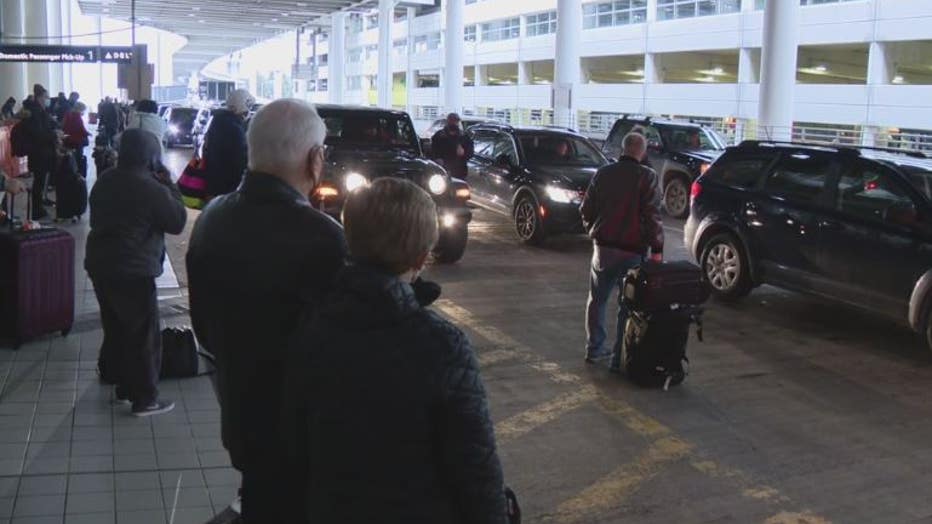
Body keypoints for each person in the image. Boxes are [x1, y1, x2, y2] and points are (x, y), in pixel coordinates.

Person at [281, 178, 506, 523]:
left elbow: (294, 442)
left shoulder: (312, 322)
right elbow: (475, 469)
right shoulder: (441, 344)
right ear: (420, 257)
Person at [186, 99, 346, 522]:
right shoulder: (324, 238)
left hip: (241, 417)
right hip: (308, 438)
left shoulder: (211, 219)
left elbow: (202, 327)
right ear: (315, 159)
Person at [85, 129, 186, 416]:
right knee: (143, 335)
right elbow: (177, 221)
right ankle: (145, 399)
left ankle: (122, 386)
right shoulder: (151, 188)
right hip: (133, 269)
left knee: (116, 327)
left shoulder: (106, 179)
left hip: (100, 264)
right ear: (152, 156)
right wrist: (170, 186)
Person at [579, 132, 664, 365]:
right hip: (633, 251)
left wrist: (594, 231)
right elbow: (652, 216)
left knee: (597, 300)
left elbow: (585, 209)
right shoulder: (647, 177)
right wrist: (657, 248)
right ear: (642, 152)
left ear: (623, 149)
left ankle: (594, 348)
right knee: (627, 305)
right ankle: (619, 356)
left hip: (603, 249)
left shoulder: (603, 173)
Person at [202, 89, 254, 199]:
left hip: (213, 184)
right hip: (228, 187)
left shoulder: (217, 122)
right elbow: (240, 159)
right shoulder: (234, 129)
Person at [22, 85, 59, 220]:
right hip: (39, 153)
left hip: (42, 152)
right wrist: (53, 135)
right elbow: (38, 133)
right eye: (46, 97)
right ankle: (37, 210)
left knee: (42, 180)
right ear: (39, 97)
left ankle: (41, 202)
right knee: (39, 181)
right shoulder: (35, 112)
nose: (48, 100)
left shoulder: (39, 110)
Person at [430, 113, 474, 180]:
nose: (454, 123)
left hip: (459, 171)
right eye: (452, 120)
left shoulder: (464, 136)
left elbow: (470, 152)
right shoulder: (439, 136)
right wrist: (437, 158)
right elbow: (432, 150)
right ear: (447, 121)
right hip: (443, 170)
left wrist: (464, 153)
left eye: (456, 121)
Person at [62, 102, 91, 178]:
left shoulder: (68, 114)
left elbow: (64, 126)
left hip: (68, 140)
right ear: (80, 109)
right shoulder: (77, 116)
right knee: (78, 158)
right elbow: (81, 128)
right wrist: (88, 134)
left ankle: (71, 172)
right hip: (77, 141)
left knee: (70, 158)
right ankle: (78, 174)